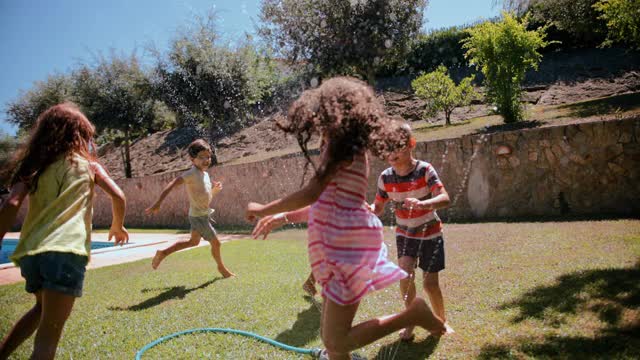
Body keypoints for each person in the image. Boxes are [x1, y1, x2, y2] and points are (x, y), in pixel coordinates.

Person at [247, 77, 445, 360]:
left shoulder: (342, 146)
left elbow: (313, 192)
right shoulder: (344, 146)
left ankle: (412, 314)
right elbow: (327, 203)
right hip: (340, 247)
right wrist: (283, 217)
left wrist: (264, 208)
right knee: (332, 341)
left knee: (336, 340)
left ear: (334, 111)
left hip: (346, 248)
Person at [0, 103, 129, 360]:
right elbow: (119, 196)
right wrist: (117, 225)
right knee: (48, 337)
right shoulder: (90, 166)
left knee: (40, 309)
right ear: (79, 136)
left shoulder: (34, 166)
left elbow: (11, 203)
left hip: (31, 253)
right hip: (66, 252)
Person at [371, 122, 454, 341]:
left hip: (430, 233)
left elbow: (445, 198)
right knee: (405, 277)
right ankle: (411, 322)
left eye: (396, 146)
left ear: (411, 145)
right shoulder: (385, 178)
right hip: (405, 234)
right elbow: (378, 207)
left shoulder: (425, 170)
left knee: (430, 284)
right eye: (386, 147)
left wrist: (424, 204)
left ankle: (441, 322)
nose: (391, 153)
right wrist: (367, 210)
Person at [145, 139, 234, 278]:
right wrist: (158, 203)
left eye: (208, 157)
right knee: (216, 243)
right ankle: (222, 269)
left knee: (193, 242)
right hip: (198, 217)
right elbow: (172, 184)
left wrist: (214, 190)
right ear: (192, 159)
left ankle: (163, 253)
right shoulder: (191, 174)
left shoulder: (205, 175)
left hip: (202, 214)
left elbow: (206, 198)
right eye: (202, 157)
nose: (206, 160)